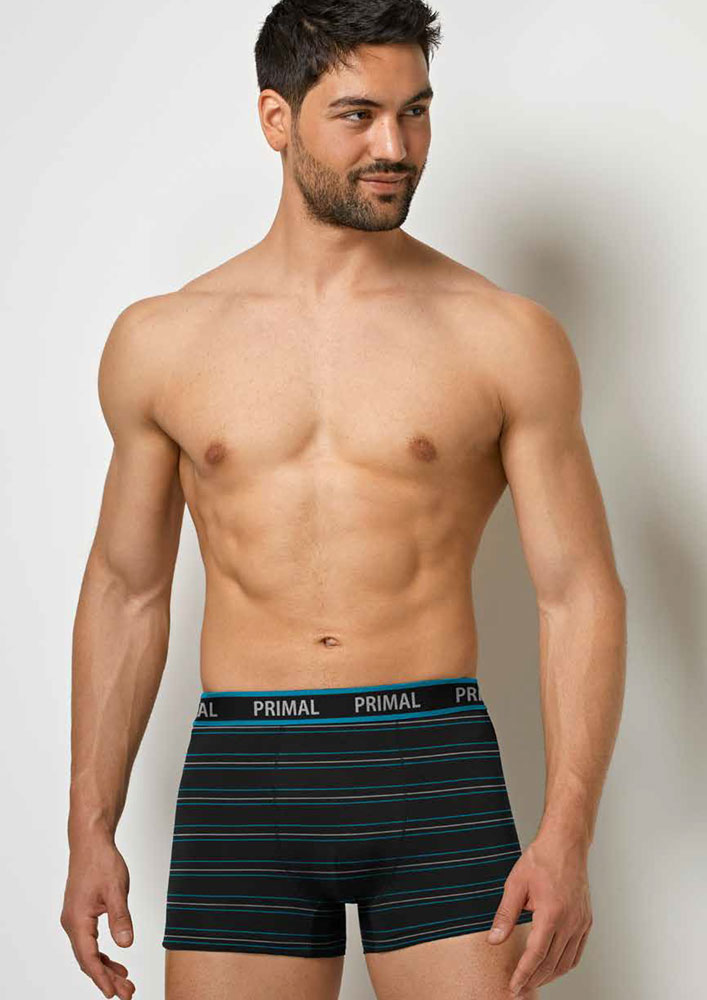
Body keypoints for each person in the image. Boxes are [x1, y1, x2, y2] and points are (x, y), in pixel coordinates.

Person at [59, 1, 627, 998]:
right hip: (243, 782)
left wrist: (567, 833)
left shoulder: (501, 335)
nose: (394, 147)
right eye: (358, 115)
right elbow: (125, 589)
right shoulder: (164, 340)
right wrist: (88, 826)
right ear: (275, 117)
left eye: (415, 112)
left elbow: (577, 590)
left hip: (435, 771)